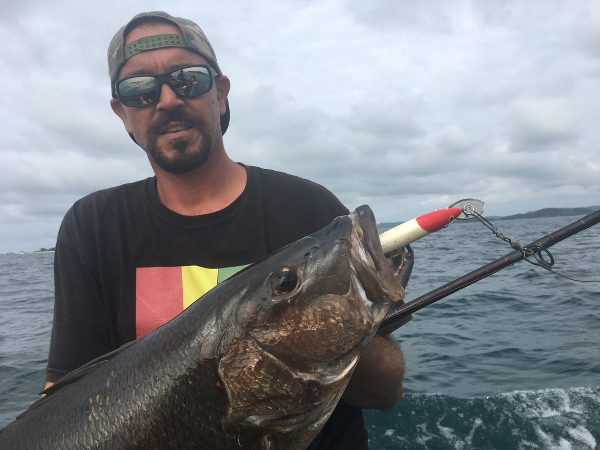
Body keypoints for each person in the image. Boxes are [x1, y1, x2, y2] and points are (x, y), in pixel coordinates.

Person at [44, 11, 405, 449]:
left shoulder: (308, 206)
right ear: (122, 113)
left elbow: (387, 392)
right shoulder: (92, 226)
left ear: (221, 93)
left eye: (188, 79)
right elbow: (60, 405)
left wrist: (327, 325)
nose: (167, 99)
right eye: (139, 90)